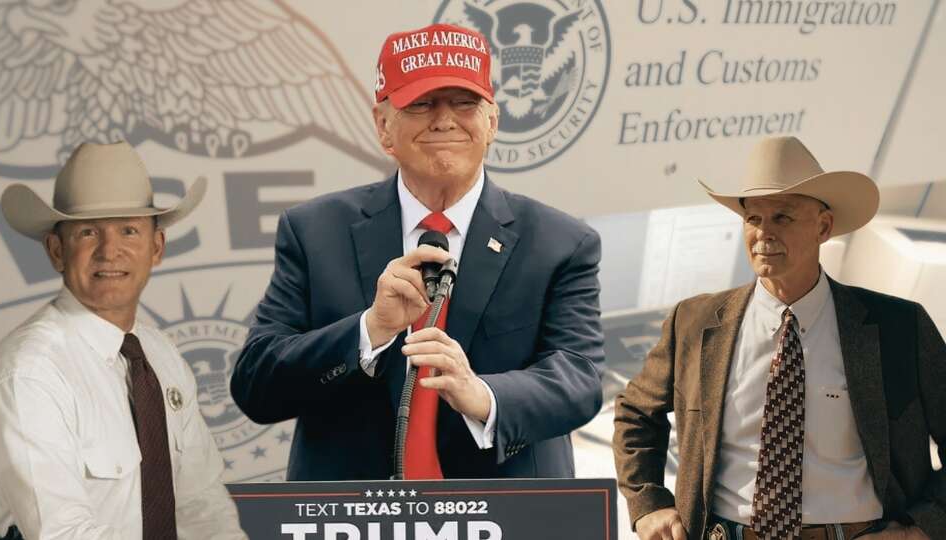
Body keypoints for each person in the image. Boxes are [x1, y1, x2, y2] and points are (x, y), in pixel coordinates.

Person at [230, 23, 604, 480]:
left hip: (509, 517)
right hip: (352, 520)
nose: (444, 119)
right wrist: (370, 330)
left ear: (493, 122)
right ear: (384, 126)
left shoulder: (561, 242)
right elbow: (256, 386)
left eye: (465, 103)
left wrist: (481, 394)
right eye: (422, 103)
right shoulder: (313, 231)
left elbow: (581, 381)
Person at [613, 136, 945, 540]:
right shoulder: (694, 322)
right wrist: (648, 504)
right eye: (753, 218)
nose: (763, 234)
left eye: (783, 218)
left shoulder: (899, 327)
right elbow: (635, 413)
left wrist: (920, 530)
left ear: (823, 227)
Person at [0, 141, 247, 540]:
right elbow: (61, 534)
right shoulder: (30, 372)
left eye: (128, 230)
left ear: (155, 247)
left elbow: (200, 503)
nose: (110, 251)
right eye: (88, 232)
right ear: (57, 251)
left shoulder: (161, 356)